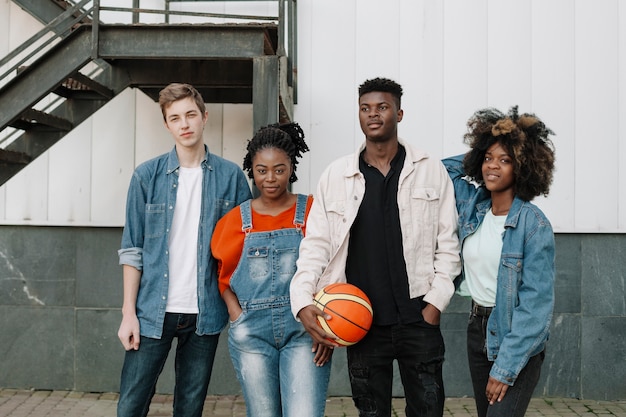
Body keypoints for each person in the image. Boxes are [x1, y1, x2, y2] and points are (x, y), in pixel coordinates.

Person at [290, 77, 462, 417]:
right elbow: (316, 245)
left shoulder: (430, 171)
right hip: (361, 322)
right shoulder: (336, 176)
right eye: (365, 108)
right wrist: (302, 300)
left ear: (399, 113)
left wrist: (434, 305)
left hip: (418, 316)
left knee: (428, 411)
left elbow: (449, 245)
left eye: (382, 107)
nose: (373, 114)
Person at [116, 83, 252, 417]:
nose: (185, 124)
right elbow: (132, 249)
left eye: (191, 114)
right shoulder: (147, 176)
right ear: (167, 125)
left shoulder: (231, 177)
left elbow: (244, 249)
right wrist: (128, 313)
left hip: (205, 313)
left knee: (189, 408)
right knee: (130, 406)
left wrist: (238, 308)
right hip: (151, 312)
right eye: (175, 118)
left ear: (204, 117)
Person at [211, 122, 333, 417]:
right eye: (261, 170)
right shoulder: (234, 221)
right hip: (251, 333)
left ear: (291, 167)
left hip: (304, 331)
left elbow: (330, 268)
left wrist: (326, 328)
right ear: (251, 169)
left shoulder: (314, 211)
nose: (270, 178)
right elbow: (223, 279)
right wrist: (236, 315)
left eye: (279, 169)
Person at [442, 106, 556, 417]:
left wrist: (504, 369)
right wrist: (481, 149)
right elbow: (444, 170)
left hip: (514, 335)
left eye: (505, 160)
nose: (493, 167)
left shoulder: (534, 226)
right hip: (476, 328)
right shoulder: (474, 206)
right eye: (488, 158)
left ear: (523, 166)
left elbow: (536, 308)